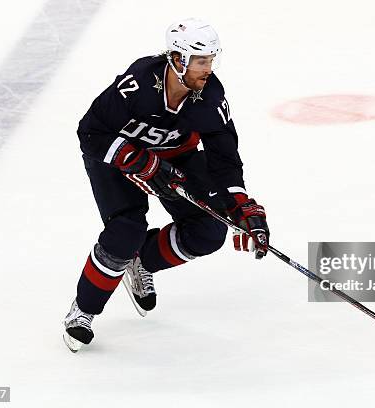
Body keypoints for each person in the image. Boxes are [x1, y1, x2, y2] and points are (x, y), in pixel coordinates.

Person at [63, 18, 270, 352]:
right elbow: (90, 133)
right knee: (124, 231)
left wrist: (241, 206)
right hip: (116, 158)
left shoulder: (210, 97)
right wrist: (141, 162)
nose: (209, 68)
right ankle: (83, 311)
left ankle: (140, 260)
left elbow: (224, 158)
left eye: (212, 60)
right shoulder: (139, 84)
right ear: (178, 59)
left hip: (176, 159)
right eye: (202, 61)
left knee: (209, 230)